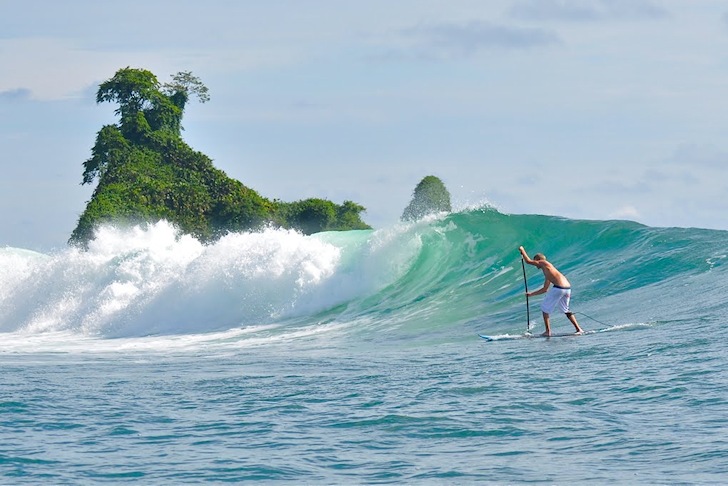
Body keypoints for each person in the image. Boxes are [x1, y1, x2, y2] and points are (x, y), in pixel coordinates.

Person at [519, 246, 583, 337]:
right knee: (565, 310)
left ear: (538, 259)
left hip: (559, 288)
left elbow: (528, 261)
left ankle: (548, 331)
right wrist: (531, 294)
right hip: (567, 289)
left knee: (545, 308)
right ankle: (579, 329)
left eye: (536, 261)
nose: (536, 264)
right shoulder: (549, 271)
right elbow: (545, 289)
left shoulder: (543, 262)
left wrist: (522, 250)